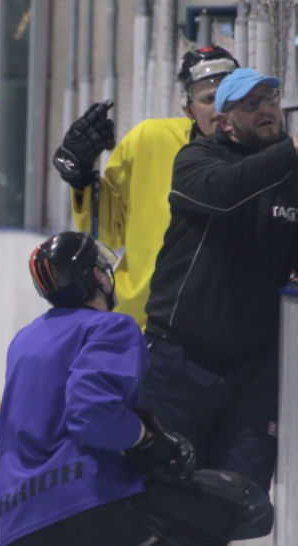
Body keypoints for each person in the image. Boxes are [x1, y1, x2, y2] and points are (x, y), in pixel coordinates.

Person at [0, 231, 274, 546]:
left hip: (16, 524)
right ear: (98, 275)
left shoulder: (24, 340)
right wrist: (146, 438)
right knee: (238, 504)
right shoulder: (112, 327)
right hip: (88, 506)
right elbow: (91, 415)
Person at [141, 67, 298, 498]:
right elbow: (226, 193)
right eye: (251, 104)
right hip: (180, 360)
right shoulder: (197, 160)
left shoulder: (292, 174)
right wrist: (290, 154)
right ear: (225, 121)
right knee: (163, 492)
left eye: (270, 99)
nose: (266, 109)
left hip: (255, 368)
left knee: (238, 497)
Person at [53, 46, 239, 328]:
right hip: (144, 325)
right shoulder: (149, 140)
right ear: (187, 108)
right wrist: (81, 180)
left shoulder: (264, 157)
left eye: (230, 94)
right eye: (209, 98)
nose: (220, 107)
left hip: (224, 329)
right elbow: (109, 234)